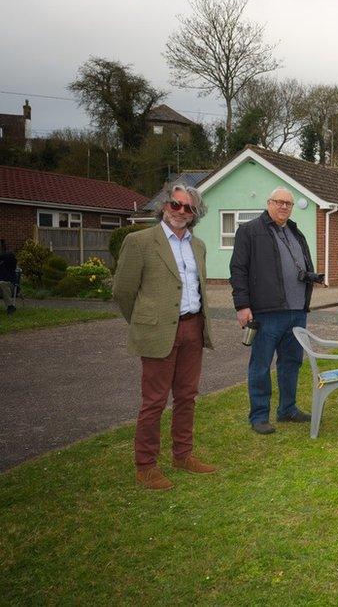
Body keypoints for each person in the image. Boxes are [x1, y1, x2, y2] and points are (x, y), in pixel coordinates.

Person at [113, 184, 216, 490]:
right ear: (165, 206)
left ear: (195, 214)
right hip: (158, 331)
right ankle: (145, 465)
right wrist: (144, 322)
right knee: (154, 401)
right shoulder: (140, 241)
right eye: (175, 204)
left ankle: (182, 455)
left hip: (192, 328)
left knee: (187, 396)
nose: (180, 211)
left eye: (188, 207)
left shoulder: (198, 246)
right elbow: (122, 291)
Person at [230, 187, 322, 435]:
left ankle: (287, 409)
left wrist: (312, 277)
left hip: (296, 311)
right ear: (268, 203)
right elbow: (238, 269)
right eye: (279, 202)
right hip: (266, 312)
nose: (283, 207)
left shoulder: (294, 231)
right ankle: (259, 416)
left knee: (291, 362)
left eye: (288, 204)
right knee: (260, 365)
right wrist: (242, 305)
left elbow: (299, 264)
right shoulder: (250, 231)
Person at [0, 240, 16, 314]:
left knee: (2, 283)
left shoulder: (9, 259)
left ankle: (10, 306)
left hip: (10, 285)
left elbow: (10, 257)